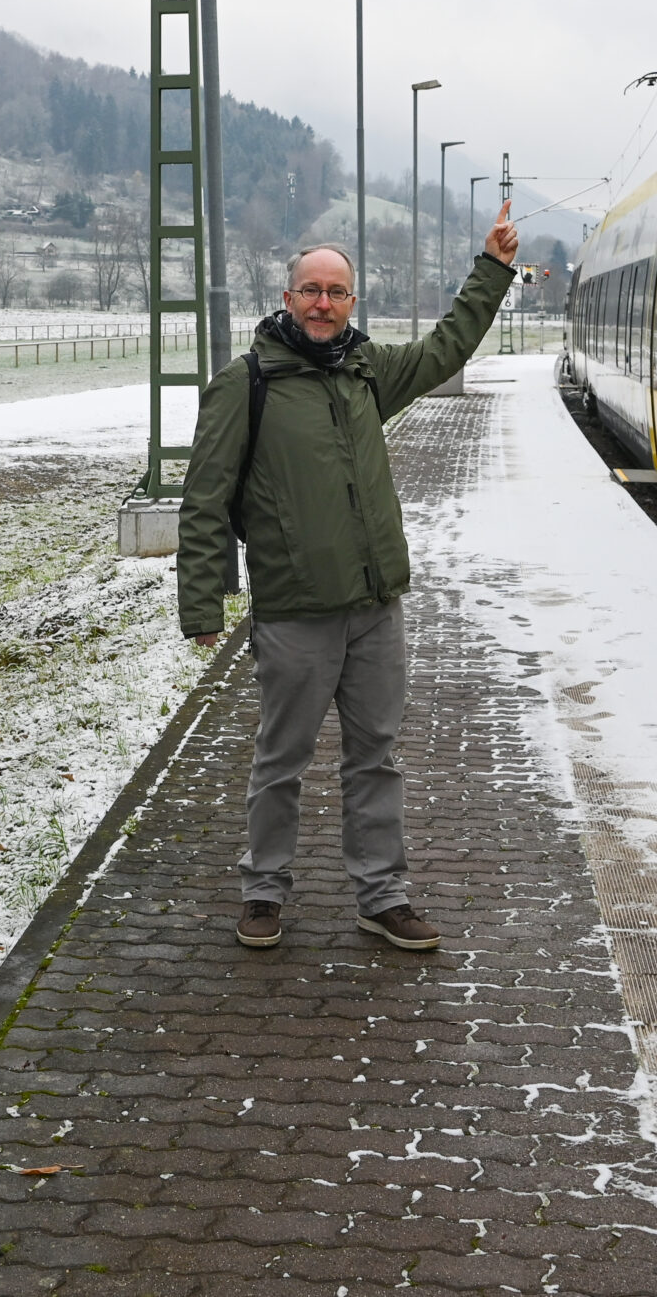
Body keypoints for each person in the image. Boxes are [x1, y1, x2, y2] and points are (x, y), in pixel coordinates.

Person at [178, 205, 522, 950]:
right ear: (287, 295)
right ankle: (264, 890)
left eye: (337, 292)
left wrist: (491, 269)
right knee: (281, 762)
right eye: (311, 290)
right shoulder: (246, 384)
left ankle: (383, 894)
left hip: (375, 609)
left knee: (377, 758)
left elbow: (445, 348)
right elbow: (204, 497)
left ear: (352, 301)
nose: (324, 304)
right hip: (295, 612)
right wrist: (204, 599)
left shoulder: (367, 373)